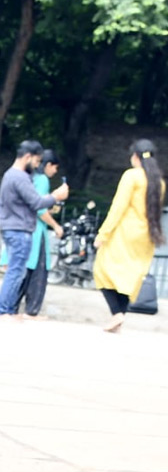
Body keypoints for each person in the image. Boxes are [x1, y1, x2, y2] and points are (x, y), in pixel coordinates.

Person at [92, 139, 166, 332]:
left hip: (126, 233)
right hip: (146, 236)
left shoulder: (131, 176)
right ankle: (119, 317)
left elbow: (118, 208)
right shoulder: (159, 181)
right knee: (129, 278)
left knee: (101, 269)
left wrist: (103, 233)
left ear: (135, 156)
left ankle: (117, 313)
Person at [0, 139, 69, 315]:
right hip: (20, 230)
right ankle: (4, 311)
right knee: (16, 273)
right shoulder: (20, 177)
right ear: (28, 157)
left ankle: (6, 311)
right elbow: (37, 203)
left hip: (13, 228)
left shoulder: (11, 175)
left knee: (17, 273)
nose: (37, 166)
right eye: (36, 161)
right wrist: (56, 196)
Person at [16, 148, 64, 318]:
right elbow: (40, 209)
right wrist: (56, 226)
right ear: (48, 165)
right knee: (39, 272)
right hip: (37, 232)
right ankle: (32, 310)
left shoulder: (29, 177)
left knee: (24, 271)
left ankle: (14, 307)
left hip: (25, 228)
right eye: (55, 168)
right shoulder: (42, 179)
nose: (55, 171)